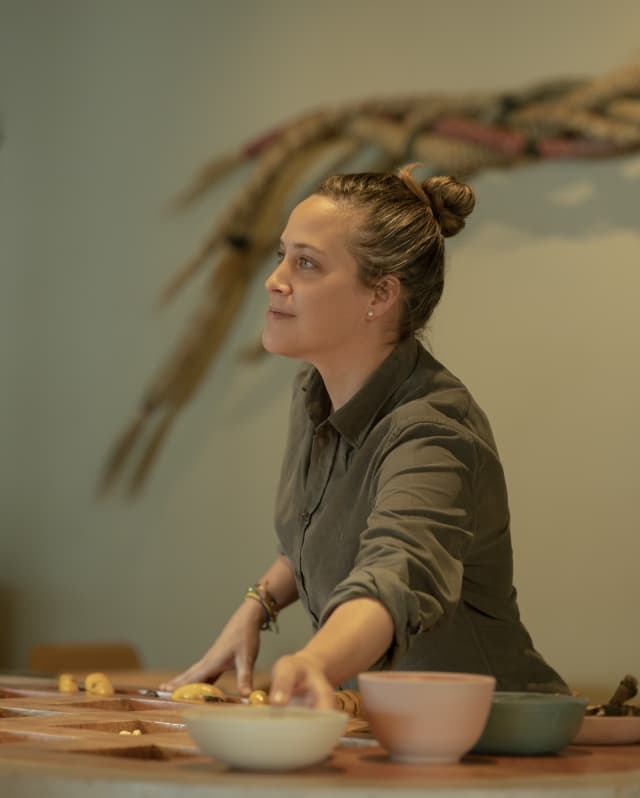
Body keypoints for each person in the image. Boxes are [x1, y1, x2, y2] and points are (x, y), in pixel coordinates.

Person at [162, 164, 568, 708]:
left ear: (380, 295)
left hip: (492, 745)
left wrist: (315, 662)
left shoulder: (432, 431)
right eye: (282, 254)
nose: (274, 279)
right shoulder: (313, 395)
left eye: (305, 263)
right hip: (386, 730)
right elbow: (321, 542)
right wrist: (256, 606)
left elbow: (394, 573)